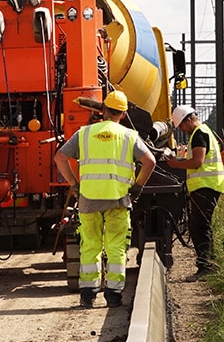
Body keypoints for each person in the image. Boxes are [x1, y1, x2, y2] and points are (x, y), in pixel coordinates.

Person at [54, 90, 156, 308]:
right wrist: (137, 186)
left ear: (104, 110)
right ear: (122, 114)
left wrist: (74, 184)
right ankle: (113, 295)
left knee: (90, 245)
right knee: (116, 247)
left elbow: (59, 157)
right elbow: (150, 162)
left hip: (88, 200)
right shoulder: (129, 136)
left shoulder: (84, 134)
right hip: (118, 200)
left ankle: (88, 294)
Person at [164, 105, 224, 276]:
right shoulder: (203, 131)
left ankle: (206, 266)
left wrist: (176, 163)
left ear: (188, 119)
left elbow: (197, 162)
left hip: (206, 186)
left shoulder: (199, 134)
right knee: (200, 226)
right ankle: (208, 263)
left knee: (200, 226)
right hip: (207, 186)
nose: (183, 130)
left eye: (182, 126)